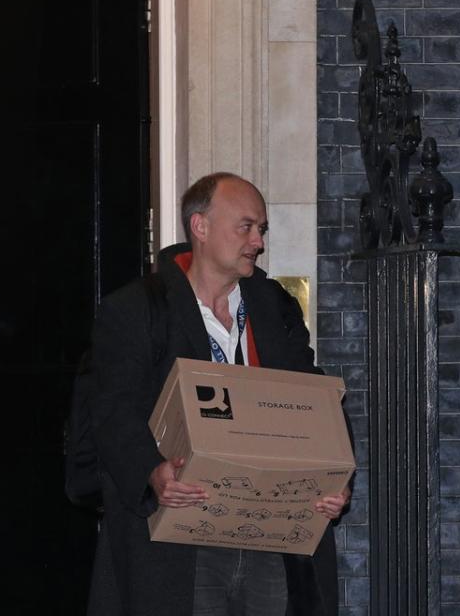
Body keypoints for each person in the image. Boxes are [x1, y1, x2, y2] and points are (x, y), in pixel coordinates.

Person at [86, 172, 352, 615]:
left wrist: (335, 478)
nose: (258, 242)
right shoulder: (137, 307)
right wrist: (151, 471)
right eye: (245, 226)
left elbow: (315, 398)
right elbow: (113, 410)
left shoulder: (274, 306)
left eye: (261, 229)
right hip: (178, 543)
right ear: (201, 227)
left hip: (267, 535)